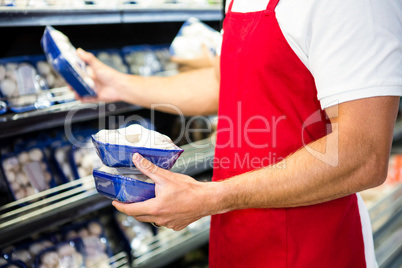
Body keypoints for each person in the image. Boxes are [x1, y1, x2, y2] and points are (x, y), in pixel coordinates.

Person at [74, 0, 402, 266]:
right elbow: (224, 81)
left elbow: (363, 154)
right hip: (236, 240)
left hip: (312, 249)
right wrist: (118, 85)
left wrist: (215, 197)